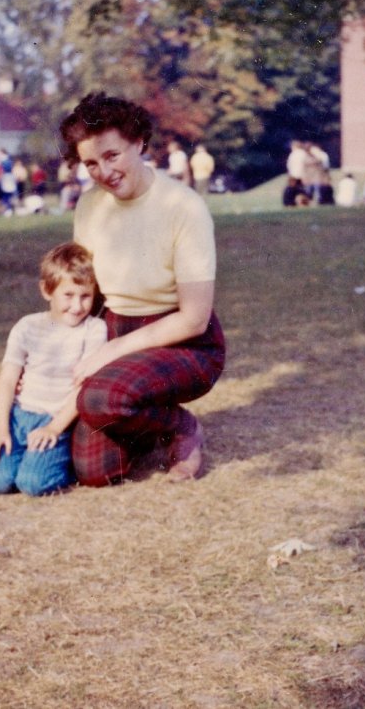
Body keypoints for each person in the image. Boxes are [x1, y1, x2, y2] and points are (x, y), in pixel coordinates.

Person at [60, 93, 226, 486]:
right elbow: (88, 290)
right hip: (116, 328)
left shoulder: (182, 205)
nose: (103, 171)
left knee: (99, 400)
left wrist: (112, 352)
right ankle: (139, 414)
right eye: (90, 163)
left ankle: (181, 425)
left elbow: (194, 317)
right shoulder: (89, 205)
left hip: (184, 341)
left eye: (112, 155)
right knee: (95, 472)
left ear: (138, 142)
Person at [0, 242, 107, 496]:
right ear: (47, 290)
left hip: (55, 418)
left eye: (85, 296)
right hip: (20, 417)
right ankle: (23, 458)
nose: (77, 306)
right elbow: (7, 379)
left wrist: (55, 427)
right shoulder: (27, 326)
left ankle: (64, 463)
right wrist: (0, 430)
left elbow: (84, 386)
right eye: (68, 295)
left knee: (32, 483)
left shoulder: (94, 330)